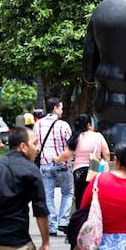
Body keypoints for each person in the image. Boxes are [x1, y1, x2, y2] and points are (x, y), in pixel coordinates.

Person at [34, 98, 73, 236]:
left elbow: (36, 145)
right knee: (67, 193)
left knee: (48, 196)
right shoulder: (63, 125)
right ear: (55, 108)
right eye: (61, 108)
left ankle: (52, 226)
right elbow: (71, 145)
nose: (62, 110)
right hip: (62, 164)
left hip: (45, 164)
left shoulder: (38, 124)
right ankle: (63, 221)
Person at [55, 113, 110, 210]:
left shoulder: (76, 138)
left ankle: (81, 221)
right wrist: (107, 165)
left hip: (79, 171)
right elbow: (107, 153)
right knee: (95, 197)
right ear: (88, 125)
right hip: (96, 169)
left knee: (80, 198)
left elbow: (66, 155)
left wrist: (57, 159)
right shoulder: (98, 136)